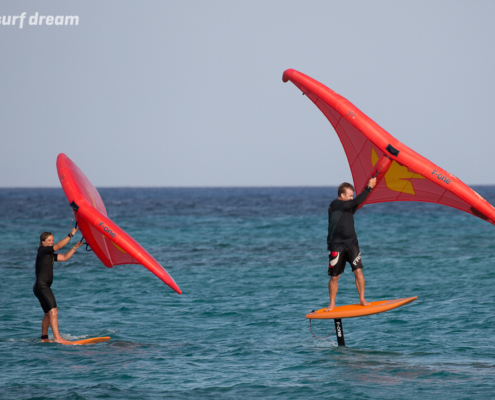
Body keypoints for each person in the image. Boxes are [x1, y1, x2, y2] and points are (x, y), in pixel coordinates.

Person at [325, 177, 377, 311]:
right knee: (335, 277)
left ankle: (362, 299)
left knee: (358, 271)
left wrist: (369, 188)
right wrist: (369, 188)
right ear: (341, 195)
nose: (351, 198)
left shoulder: (347, 206)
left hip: (352, 243)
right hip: (336, 246)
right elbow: (354, 202)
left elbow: (357, 202)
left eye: (352, 196)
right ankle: (331, 303)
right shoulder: (335, 204)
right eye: (349, 196)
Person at [33, 228, 83, 343]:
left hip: (39, 287)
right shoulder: (42, 250)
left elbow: (65, 257)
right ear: (43, 242)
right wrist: (71, 235)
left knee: (47, 313)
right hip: (42, 286)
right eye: (49, 240)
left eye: (52, 240)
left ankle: (44, 338)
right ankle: (57, 338)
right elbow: (59, 246)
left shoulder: (49, 255)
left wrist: (74, 247)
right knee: (54, 311)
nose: (52, 242)